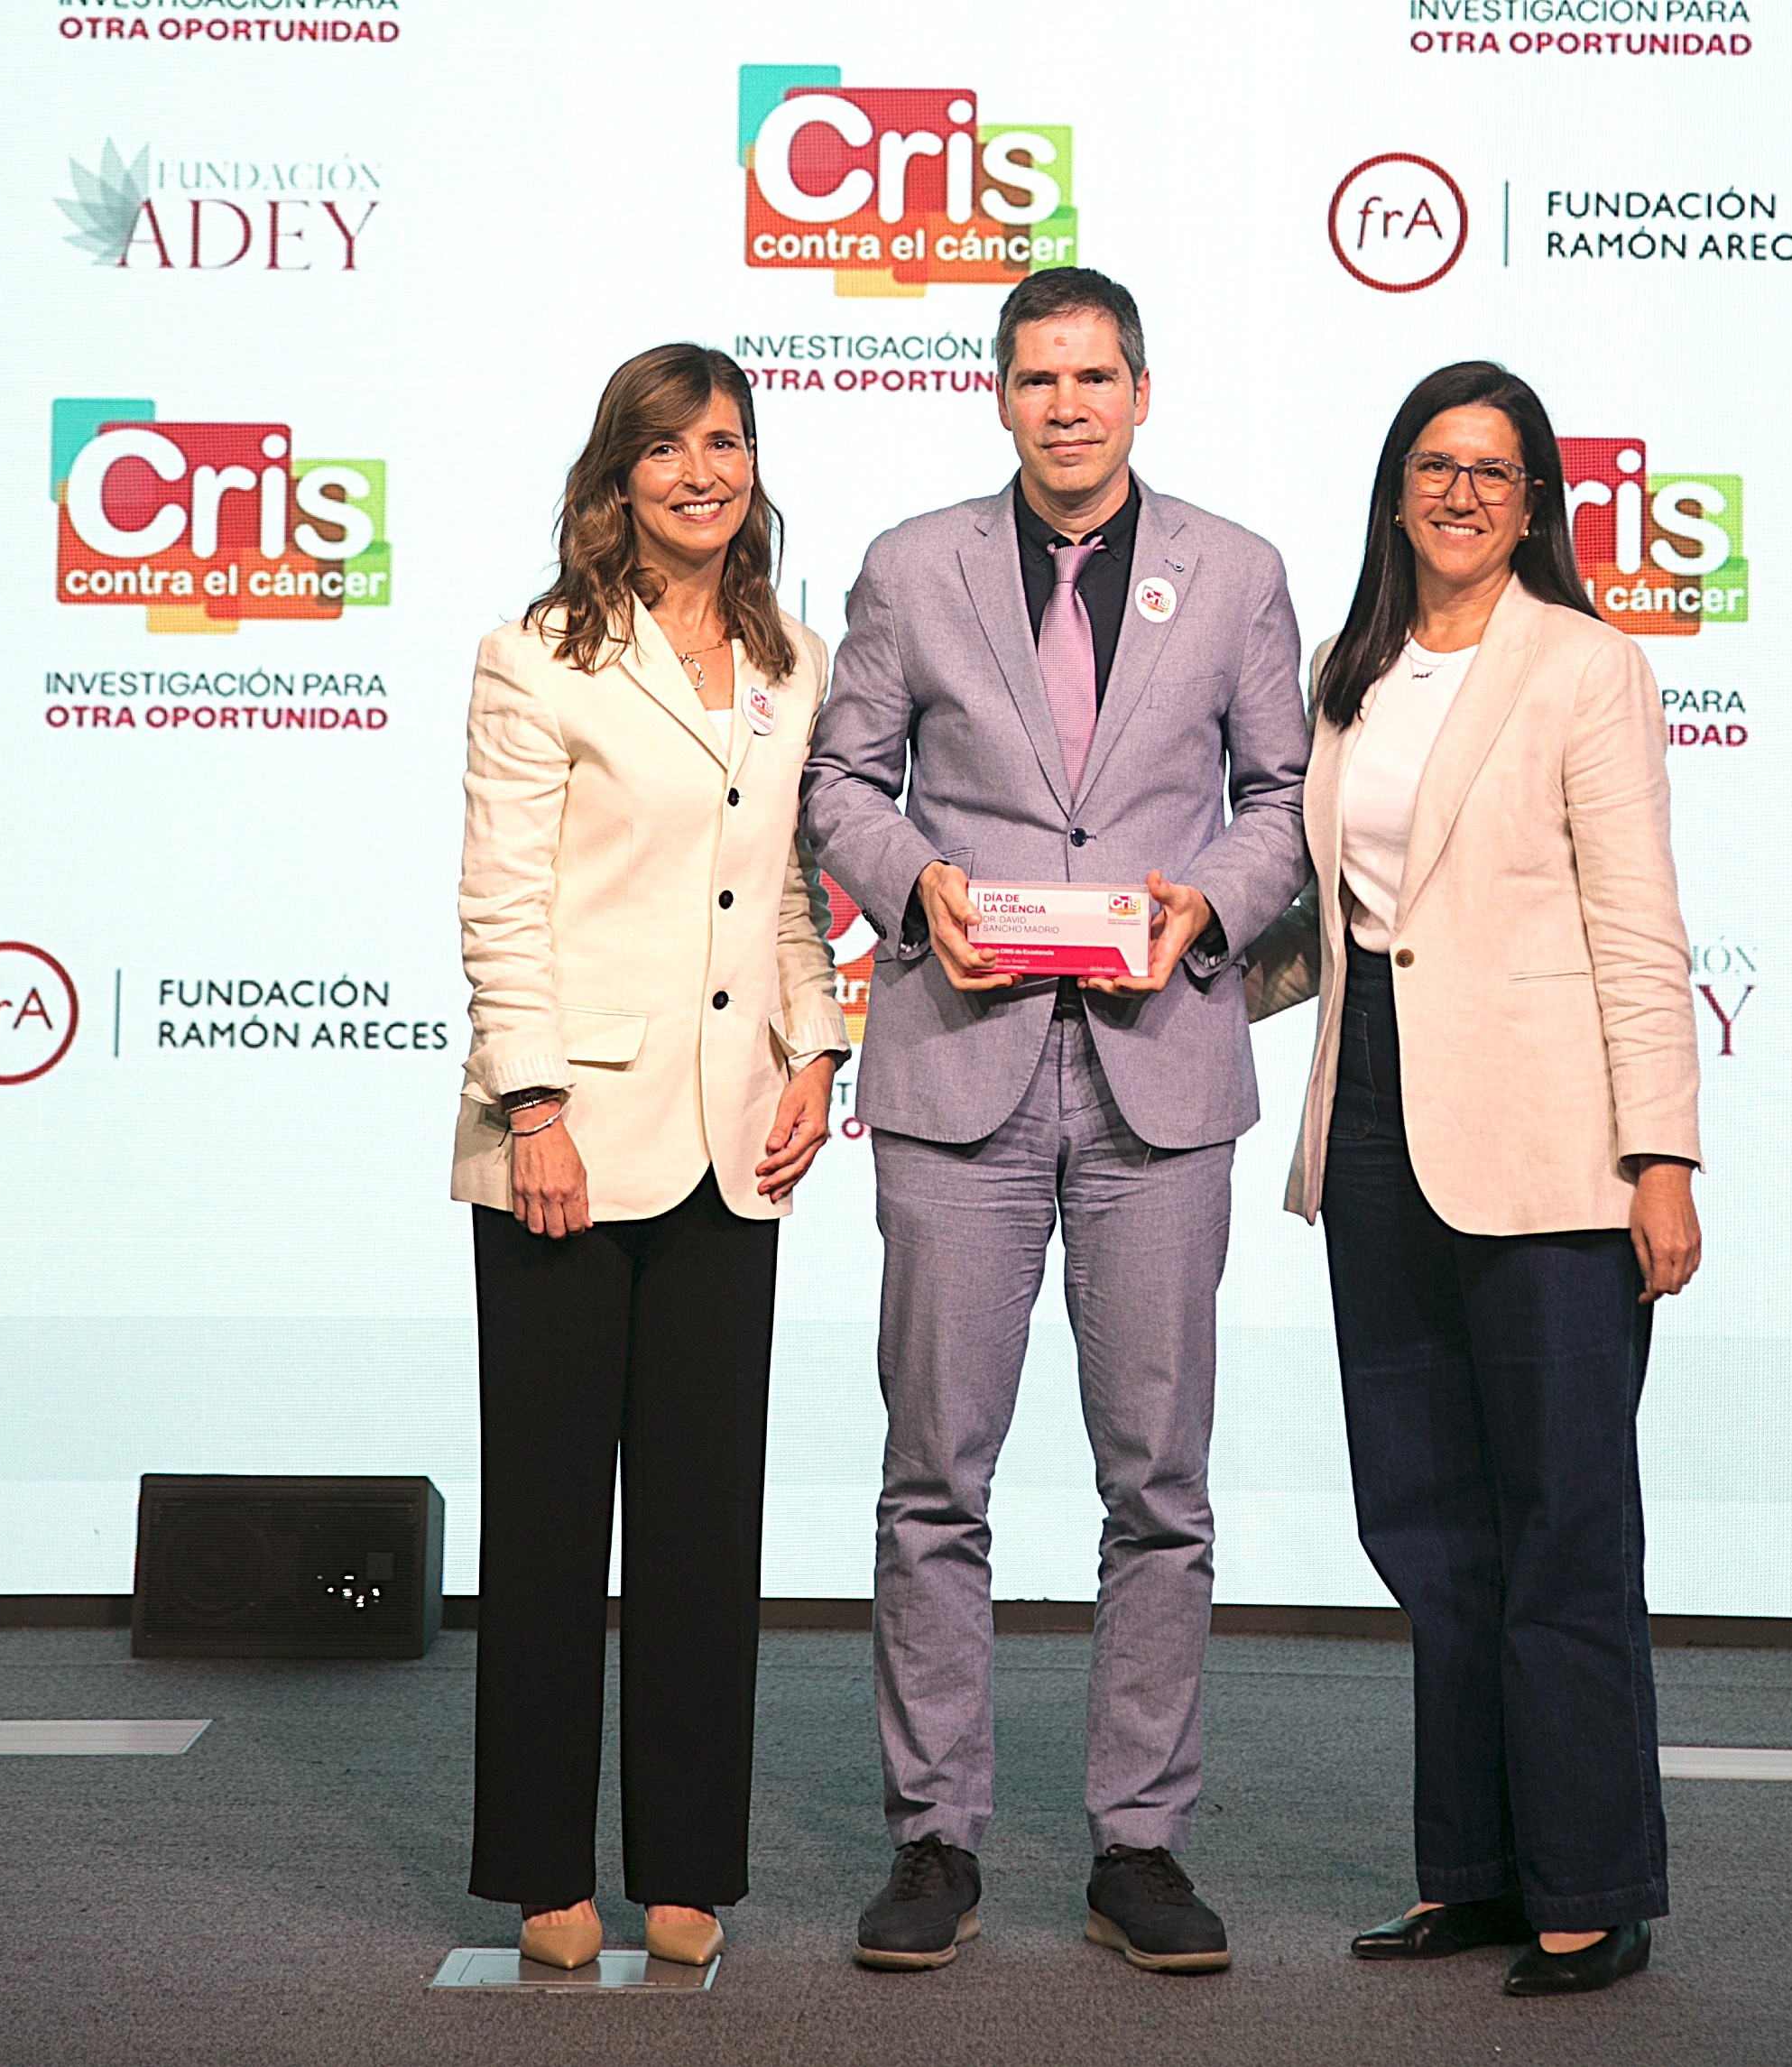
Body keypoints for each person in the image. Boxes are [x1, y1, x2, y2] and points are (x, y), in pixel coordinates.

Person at [799, 268, 1309, 1975]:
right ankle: (934, 1839)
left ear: (1144, 392)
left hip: (1162, 1070)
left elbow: (1283, 803)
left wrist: (1208, 908)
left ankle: (1141, 1846)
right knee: (933, 1477)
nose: (1070, 405)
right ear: (998, 394)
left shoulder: (1234, 570)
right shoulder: (909, 564)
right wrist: (917, 885)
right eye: (1040, 378)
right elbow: (840, 787)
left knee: (1157, 1484)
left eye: (1098, 377)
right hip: (958, 1065)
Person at [1247, 361, 1702, 1998]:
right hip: (1370, 1132)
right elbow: (1339, 925)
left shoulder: (1587, 668)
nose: (1460, 492)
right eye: (1436, 465)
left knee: (1564, 1522)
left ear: (1533, 505)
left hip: (1553, 1152)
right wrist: (1160, 959)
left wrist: (1662, 1156)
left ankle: (1590, 1883)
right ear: (1395, 490)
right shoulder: (1344, 671)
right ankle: (1473, 1875)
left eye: (1494, 472)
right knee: (1428, 1527)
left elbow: (1639, 931)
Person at [450, 343, 849, 1972]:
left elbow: (794, 891)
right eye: (672, 446)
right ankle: (544, 1871)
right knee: (550, 1528)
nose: (707, 470)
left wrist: (821, 1046)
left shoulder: (791, 657)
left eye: (731, 443)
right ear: (615, 475)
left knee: (702, 1530)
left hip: (728, 1140)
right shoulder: (537, 657)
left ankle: (688, 1868)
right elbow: (502, 903)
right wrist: (532, 1107)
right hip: (567, 1139)